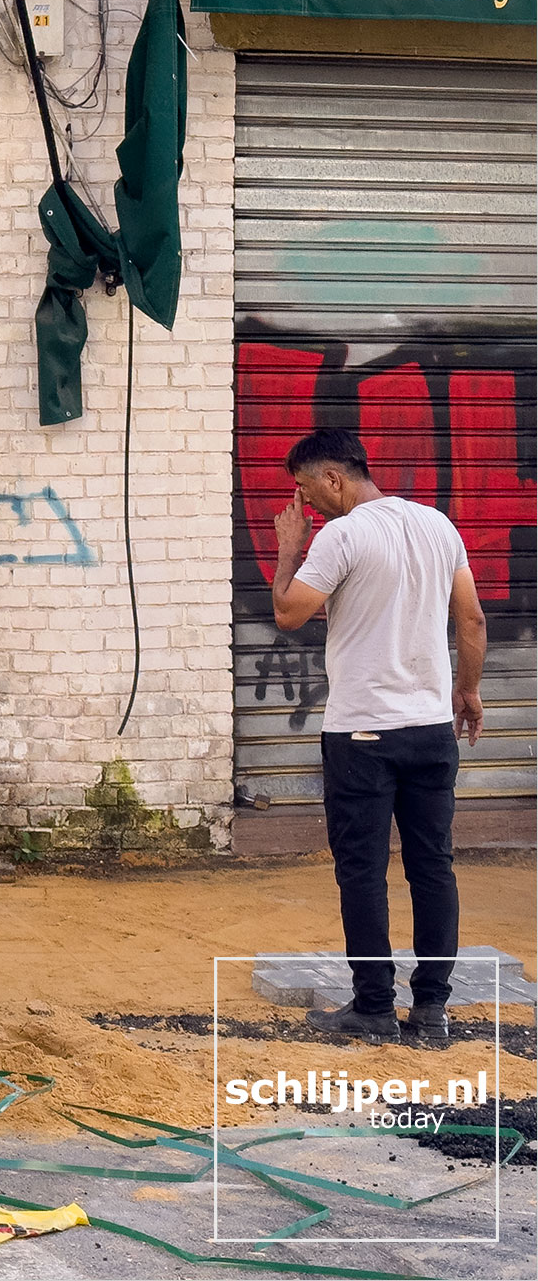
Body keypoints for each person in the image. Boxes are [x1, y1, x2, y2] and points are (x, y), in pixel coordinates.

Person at [271, 427, 486, 1047]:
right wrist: (466, 692)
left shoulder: (342, 534)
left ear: (333, 478)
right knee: (433, 868)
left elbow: (289, 614)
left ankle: (371, 1008)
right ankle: (432, 1013)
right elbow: (470, 617)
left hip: (362, 733)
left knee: (362, 871)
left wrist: (290, 550)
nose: (306, 506)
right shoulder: (437, 525)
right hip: (428, 732)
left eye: (306, 490)